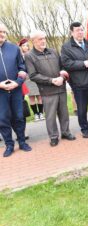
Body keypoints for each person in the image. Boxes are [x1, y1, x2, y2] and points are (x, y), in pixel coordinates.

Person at [25, 30, 76, 147]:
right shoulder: (29, 56)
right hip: (47, 91)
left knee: (64, 113)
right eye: (40, 39)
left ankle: (66, 132)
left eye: (44, 38)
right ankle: (53, 137)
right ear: (33, 41)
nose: (43, 41)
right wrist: (51, 80)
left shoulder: (53, 51)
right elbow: (33, 75)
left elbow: (63, 67)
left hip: (61, 88)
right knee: (50, 116)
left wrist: (62, 77)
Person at [0, 23, 32, 157]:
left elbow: (22, 68)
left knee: (19, 117)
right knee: (2, 119)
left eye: (3, 32)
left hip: (16, 90)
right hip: (0, 92)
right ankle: (9, 144)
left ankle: (22, 141)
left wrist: (17, 82)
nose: (1, 34)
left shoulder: (14, 48)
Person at [18, 38, 45, 121]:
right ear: (20, 47)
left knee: (39, 96)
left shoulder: (32, 54)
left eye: (27, 45)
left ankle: (41, 113)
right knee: (31, 97)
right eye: (23, 45)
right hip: (27, 79)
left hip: (36, 77)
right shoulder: (19, 56)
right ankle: (36, 114)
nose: (26, 47)